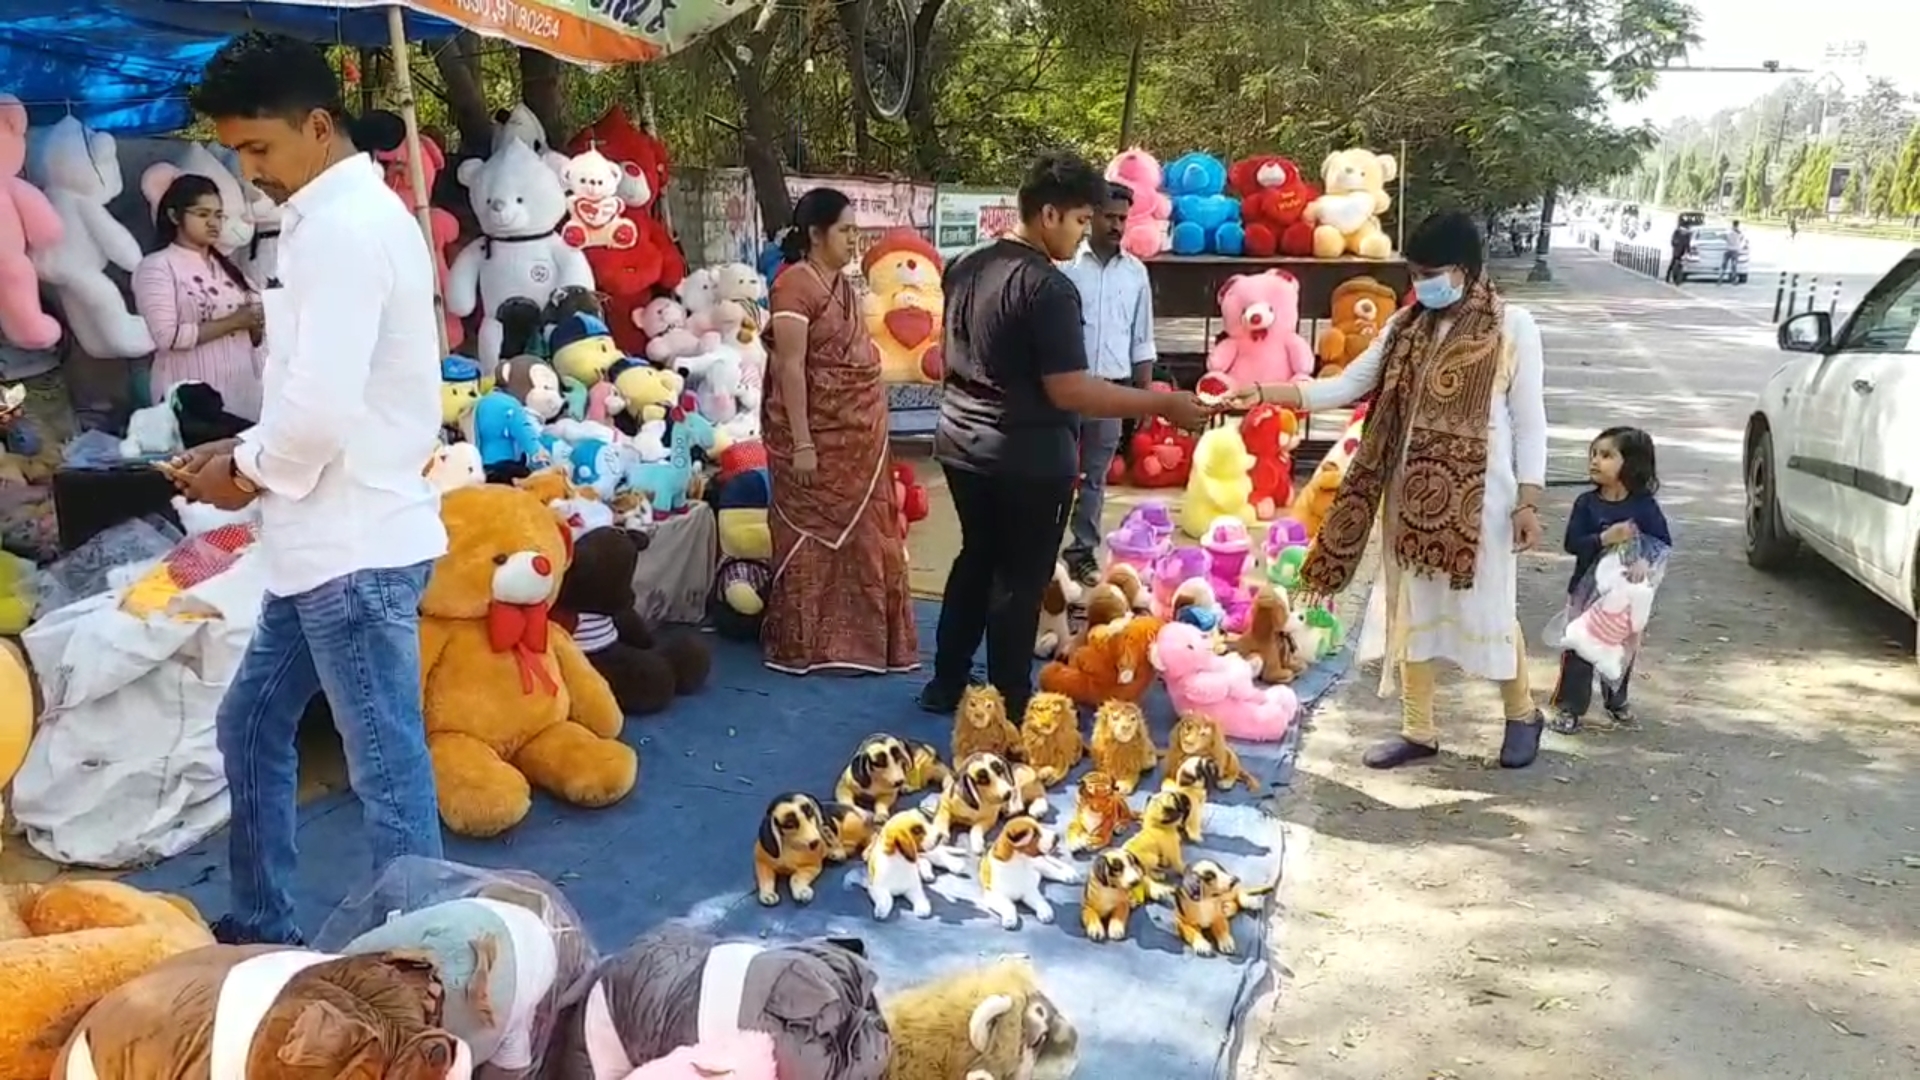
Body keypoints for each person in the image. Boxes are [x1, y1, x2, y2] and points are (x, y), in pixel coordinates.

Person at [168, 32, 447, 945]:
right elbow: (318, 397)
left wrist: (241, 471)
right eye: (238, 153)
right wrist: (243, 457)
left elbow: (321, 410)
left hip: (353, 549)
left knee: (388, 775)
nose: (250, 175)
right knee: (251, 726)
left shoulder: (346, 228)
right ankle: (260, 921)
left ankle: (428, 970)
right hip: (324, 543)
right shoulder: (338, 220)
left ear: (318, 126)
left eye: (259, 150)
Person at [1228, 210, 1549, 769]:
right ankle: (1418, 729)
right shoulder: (1405, 327)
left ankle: (1522, 714)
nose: (1421, 283)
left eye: (1432, 272)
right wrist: (1260, 392)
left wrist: (1529, 499)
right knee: (1412, 608)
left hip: (1484, 504)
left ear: (1467, 270)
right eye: (1415, 272)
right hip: (1407, 499)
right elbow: (1346, 385)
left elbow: (1530, 420)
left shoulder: (1513, 326)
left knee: (1490, 608)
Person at [918, 150, 1214, 716]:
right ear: (1049, 214)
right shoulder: (1049, 288)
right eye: (1080, 220)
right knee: (1019, 580)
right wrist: (1162, 403)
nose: (1083, 235)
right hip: (1024, 456)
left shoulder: (965, 265)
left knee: (976, 558)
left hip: (960, 443)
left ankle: (946, 683)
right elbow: (1071, 389)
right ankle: (1010, 703)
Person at [761, 187, 918, 675]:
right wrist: (804, 444)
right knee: (811, 542)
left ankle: (870, 647)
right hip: (814, 441)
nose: (853, 240)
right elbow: (791, 368)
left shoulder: (842, 286)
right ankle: (806, 647)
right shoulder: (794, 286)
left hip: (861, 440)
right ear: (815, 234)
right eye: (846, 230)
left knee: (873, 536)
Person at [1057, 181, 1156, 585]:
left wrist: (1145, 400)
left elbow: (1142, 340)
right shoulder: (1064, 267)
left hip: (1112, 392)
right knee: (1055, 473)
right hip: (1063, 387)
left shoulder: (1136, 274)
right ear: (1091, 216)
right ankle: (1045, 553)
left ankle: (1081, 552)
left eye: (1122, 219)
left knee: (1094, 478)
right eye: (1109, 217)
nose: (1116, 225)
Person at [1549, 427, 1670, 734]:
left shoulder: (1644, 506)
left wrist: (1644, 560)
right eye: (1593, 454)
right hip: (1585, 592)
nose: (1595, 461)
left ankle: (1616, 699)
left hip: (1623, 599)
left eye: (1606, 455)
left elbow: (1661, 541)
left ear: (1631, 464)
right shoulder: (1587, 504)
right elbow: (1572, 543)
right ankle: (1569, 707)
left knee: (1619, 649)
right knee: (1578, 647)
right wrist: (1604, 538)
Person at [132, 174, 266, 419]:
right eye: (203, 214)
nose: (213, 223)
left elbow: (258, 327)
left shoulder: (230, 269)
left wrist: (257, 324)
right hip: (192, 404)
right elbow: (167, 336)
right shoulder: (157, 267)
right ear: (175, 216)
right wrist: (235, 322)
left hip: (244, 398)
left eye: (218, 215)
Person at [1666, 219, 1692, 284]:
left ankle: (1669, 277)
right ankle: (1669, 277)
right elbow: (1687, 243)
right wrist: (1688, 251)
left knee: (1673, 264)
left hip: (1678, 251)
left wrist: (1688, 250)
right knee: (1674, 263)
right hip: (1680, 251)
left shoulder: (1682, 232)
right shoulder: (1681, 232)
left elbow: (1673, 241)